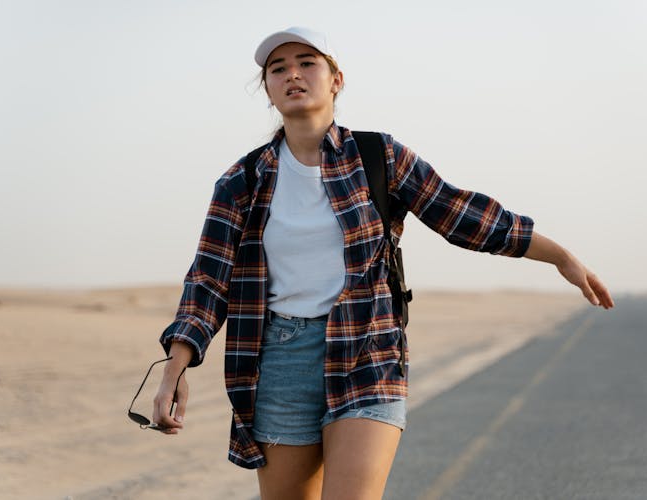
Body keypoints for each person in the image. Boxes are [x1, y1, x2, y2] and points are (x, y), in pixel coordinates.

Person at [151, 26, 615, 499]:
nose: (293, 74)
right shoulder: (242, 181)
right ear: (268, 90)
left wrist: (559, 256)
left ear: (336, 79)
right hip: (280, 360)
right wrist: (174, 370)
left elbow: (462, 214)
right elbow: (208, 281)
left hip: (368, 350)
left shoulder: (379, 157)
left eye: (307, 62)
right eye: (278, 69)